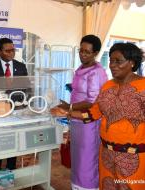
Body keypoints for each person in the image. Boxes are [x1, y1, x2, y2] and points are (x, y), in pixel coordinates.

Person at [51, 42, 145, 190]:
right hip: (106, 154)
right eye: (111, 61)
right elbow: (93, 113)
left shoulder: (143, 87)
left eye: (118, 61)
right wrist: (67, 112)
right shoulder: (108, 86)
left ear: (132, 63)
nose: (112, 65)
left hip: (134, 157)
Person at [53, 35, 108, 190]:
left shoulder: (96, 72)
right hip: (76, 119)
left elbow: (92, 101)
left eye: (87, 52)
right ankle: (76, 186)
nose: (82, 54)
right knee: (77, 157)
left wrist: (69, 107)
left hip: (89, 122)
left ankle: (88, 187)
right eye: (81, 50)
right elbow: (78, 91)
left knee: (87, 159)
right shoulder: (82, 68)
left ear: (96, 53)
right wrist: (68, 105)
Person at [0, 37, 28, 171]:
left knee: (13, 141)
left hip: (15, 111)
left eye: (13, 50)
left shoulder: (21, 66)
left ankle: (11, 170)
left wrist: (23, 105)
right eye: (7, 51)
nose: (11, 53)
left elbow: (26, 88)